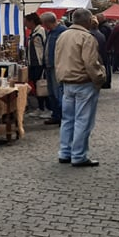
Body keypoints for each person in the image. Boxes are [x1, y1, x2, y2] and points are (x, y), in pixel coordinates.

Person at [55, 9, 105, 167]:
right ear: (88, 21)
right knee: (83, 121)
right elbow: (91, 63)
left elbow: (57, 58)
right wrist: (100, 78)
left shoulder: (62, 35)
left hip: (67, 82)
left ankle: (65, 152)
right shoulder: (86, 37)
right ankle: (78, 155)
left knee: (67, 120)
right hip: (84, 82)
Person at [40, 12, 67, 125]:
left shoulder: (62, 32)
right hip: (49, 66)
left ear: (47, 22)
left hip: (57, 66)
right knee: (51, 93)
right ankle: (55, 115)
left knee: (58, 93)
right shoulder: (50, 32)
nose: (43, 26)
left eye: (44, 23)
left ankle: (62, 117)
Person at [25, 13, 48, 115]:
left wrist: (44, 62)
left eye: (26, 21)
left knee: (41, 86)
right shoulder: (33, 32)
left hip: (39, 64)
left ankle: (46, 108)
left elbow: (44, 47)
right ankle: (41, 107)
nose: (25, 24)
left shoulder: (40, 31)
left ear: (31, 21)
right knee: (36, 85)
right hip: (33, 64)